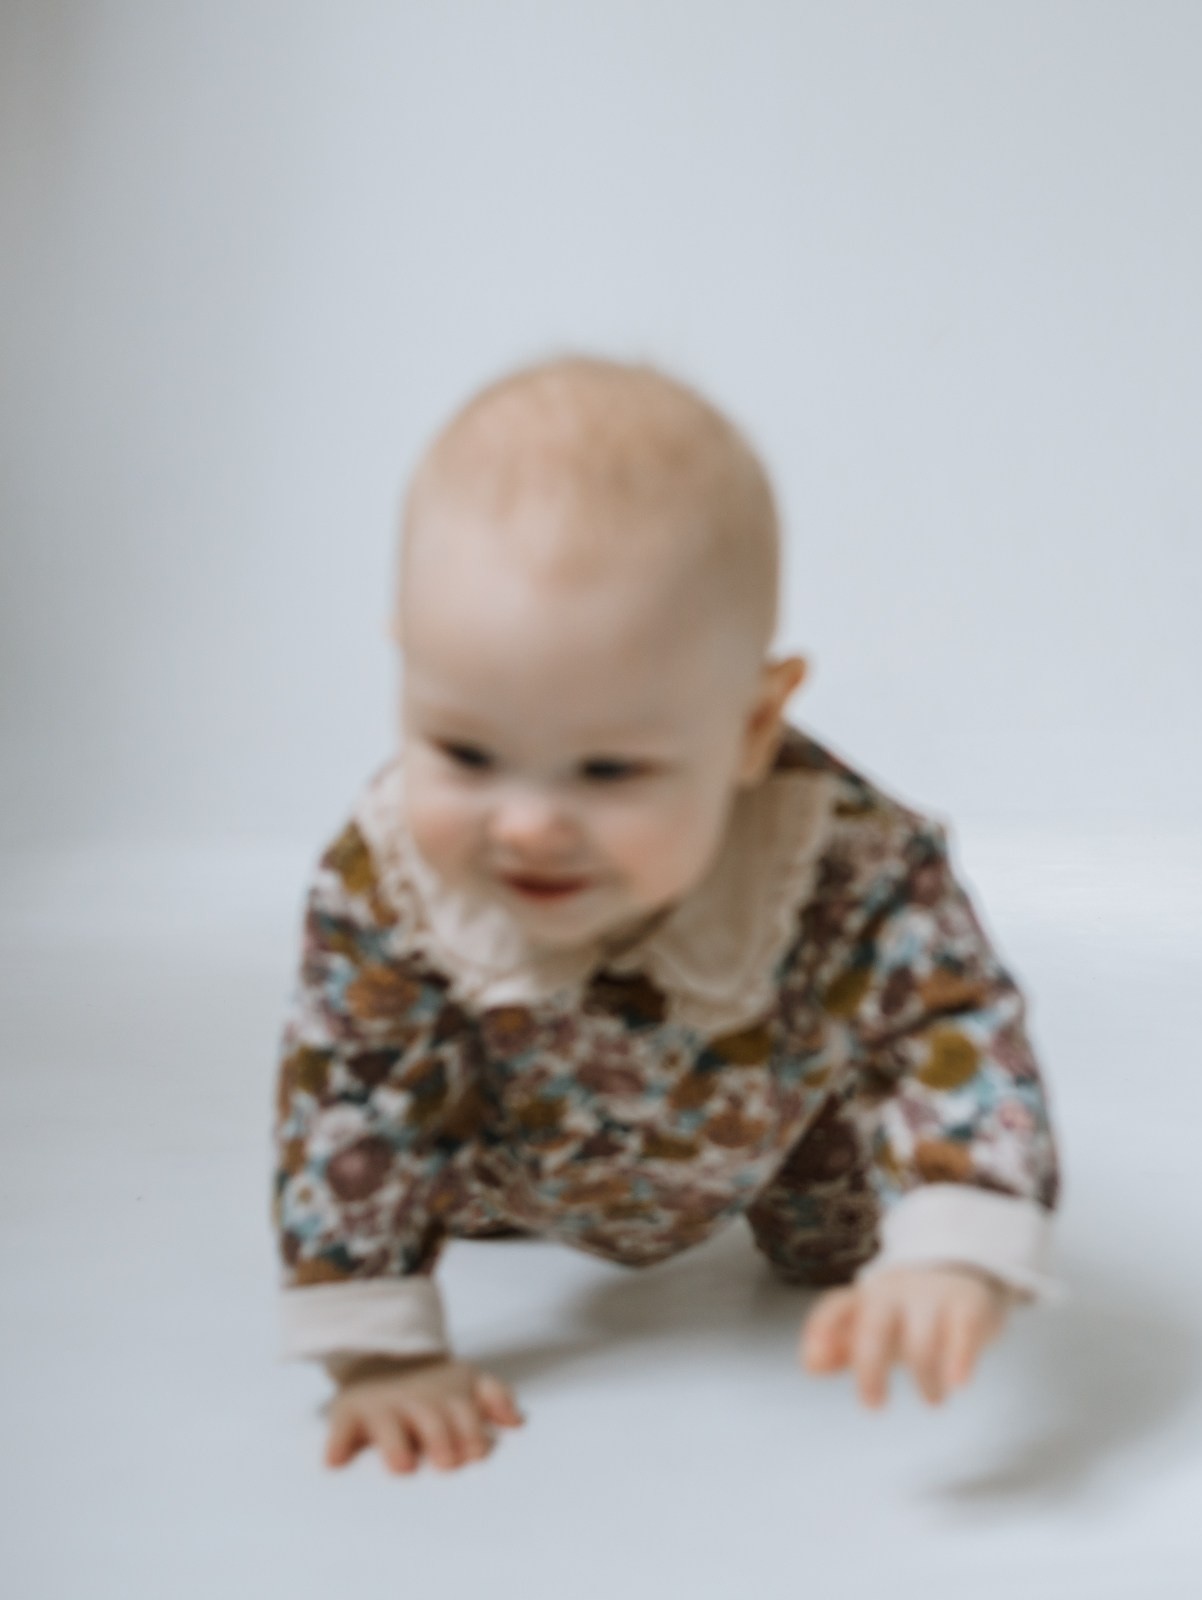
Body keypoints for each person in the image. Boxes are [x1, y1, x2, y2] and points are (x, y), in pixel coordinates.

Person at [273, 358, 1060, 1475]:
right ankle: (483, 1206)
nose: (529, 825)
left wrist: (956, 1242)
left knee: (842, 1241)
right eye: (466, 750)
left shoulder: (835, 850)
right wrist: (379, 1354)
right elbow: (351, 1094)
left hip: (781, 1117)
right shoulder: (391, 876)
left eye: (608, 767)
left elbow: (949, 1022)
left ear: (750, 726)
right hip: (508, 1133)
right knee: (426, 1159)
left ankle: (853, 1229)